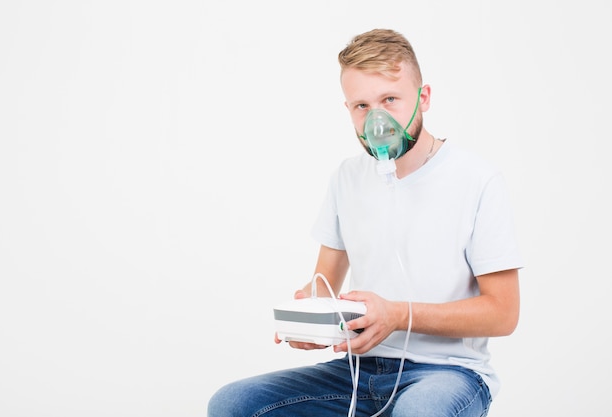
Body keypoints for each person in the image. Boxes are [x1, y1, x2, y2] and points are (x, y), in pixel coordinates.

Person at [207, 28, 522, 417]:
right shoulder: (347, 178)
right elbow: (324, 285)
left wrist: (398, 315)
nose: (376, 119)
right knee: (233, 405)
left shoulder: (477, 180)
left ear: (423, 98)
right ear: (348, 110)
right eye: (361, 106)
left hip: (449, 373)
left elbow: (504, 313)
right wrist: (311, 322)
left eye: (390, 99)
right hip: (357, 370)